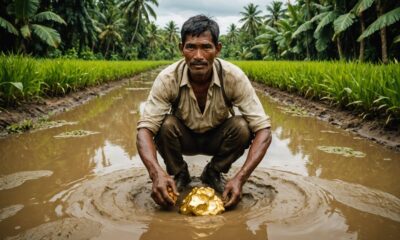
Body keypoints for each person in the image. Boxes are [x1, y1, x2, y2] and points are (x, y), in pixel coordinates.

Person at [136, 15, 272, 209]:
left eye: (206, 47)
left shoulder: (233, 77)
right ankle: (179, 173)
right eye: (191, 47)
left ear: (217, 49)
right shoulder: (167, 78)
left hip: (218, 139)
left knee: (243, 126)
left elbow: (264, 131)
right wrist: (156, 172)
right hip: (184, 138)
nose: (198, 55)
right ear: (181, 48)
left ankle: (213, 172)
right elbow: (144, 130)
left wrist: (240, 178)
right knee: (163, 125)